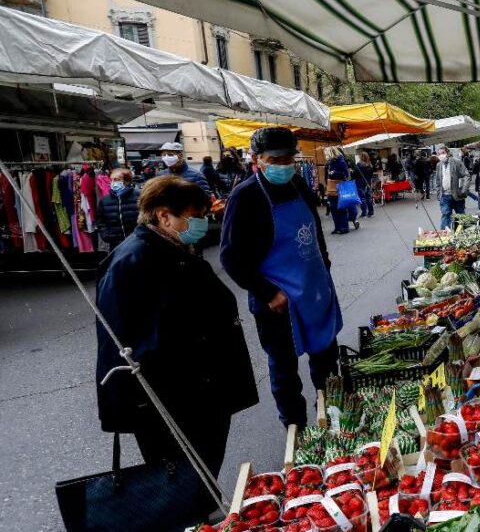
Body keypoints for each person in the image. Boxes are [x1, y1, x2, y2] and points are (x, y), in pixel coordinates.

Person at [95, 175, 257, 517]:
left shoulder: (174, 248)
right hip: (171, 397)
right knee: (180, 477)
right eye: (194, 216)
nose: (201, 223)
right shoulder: (132, 262)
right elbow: (122, 343)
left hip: (203, 388)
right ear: (163, 215)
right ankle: (195, 518)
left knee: (202, 467)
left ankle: (203, 513)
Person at [220, 127, 342, 429]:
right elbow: (231, 257)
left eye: (289, 157)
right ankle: (296, 430)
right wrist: (267, 292)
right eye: (276, 159)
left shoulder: (298, 184)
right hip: (278, 302)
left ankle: (334, 415)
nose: (285, 164)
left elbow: (315, 233)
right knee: (285, 370)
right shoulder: (245, 196)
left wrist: (324, 270)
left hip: (314, 291)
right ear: (257, 159)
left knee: (326, 359)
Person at [94, 168, 140, 251]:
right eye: (111, 179)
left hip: (137, 243)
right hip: (116, 245)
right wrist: (106, 235)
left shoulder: (139, 197)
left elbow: (147, 217)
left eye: (117, 179)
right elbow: (100, 220)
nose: (113, 182)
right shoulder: (105, 201)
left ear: (126, 181)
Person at [324, 147, 359, 234]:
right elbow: (326, 175)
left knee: (341, 207)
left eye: (326, 154)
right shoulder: (328, 163)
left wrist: (335, 173)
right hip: (331, 187)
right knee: (333, 208)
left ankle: (344, 227)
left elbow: (346, 174)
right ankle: (337, 227)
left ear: (331, 153)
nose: (325, 156)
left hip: (340, 187)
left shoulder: (340, 161)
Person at [435, 145, 471, 229]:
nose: (441, 155)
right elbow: (438, 180)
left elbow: (466, 175)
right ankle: (445, 236)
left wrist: (464, 190)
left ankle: (462, 235)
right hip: (444, 196)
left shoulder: (457, 162)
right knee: (445, 215)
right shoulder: (439, 165)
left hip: (457, 195)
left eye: (443, 153)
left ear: (447, 153)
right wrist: (438, 193)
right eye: (439, 154)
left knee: (461, 216)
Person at [353, 150, 376, 219]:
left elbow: (354, 175)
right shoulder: (370, 165)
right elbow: (371, 175)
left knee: (362, 198)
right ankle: (371, 211)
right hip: (367, 183)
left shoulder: (358, 165)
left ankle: (364, 212)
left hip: (360, 183)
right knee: (368, 198)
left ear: (360, 157)